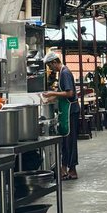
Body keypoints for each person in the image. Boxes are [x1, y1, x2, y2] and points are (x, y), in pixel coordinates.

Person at [44, 50, 80, 180]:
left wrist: (52, 94)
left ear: (54, 62)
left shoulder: (64, 73)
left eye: (49, 66)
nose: (50, 69)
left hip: (71, 111)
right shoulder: (62, 73)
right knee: (66, 140)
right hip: (67, 111)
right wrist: (52, 99)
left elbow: (69, 93)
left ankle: (72, 169)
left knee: (69, 141)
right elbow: (63, 93)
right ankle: (65, 168)